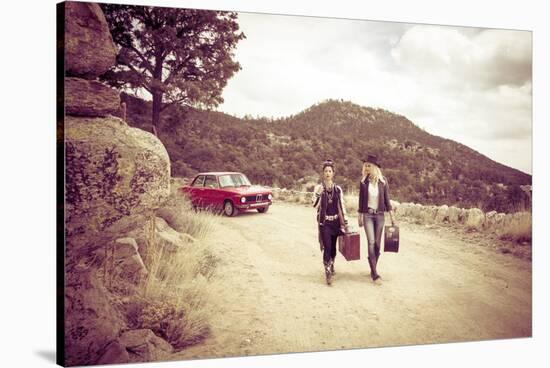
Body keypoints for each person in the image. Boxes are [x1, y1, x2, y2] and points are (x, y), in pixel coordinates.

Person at [358, 154, 395, 281]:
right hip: (368, 215)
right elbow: (361, 201)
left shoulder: (382, 181)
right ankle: (374, 273)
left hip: (380, 215)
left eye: (369, 165)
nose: (367, 167)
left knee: (378, 245)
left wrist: (392, 216)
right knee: (371, 243)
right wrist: (360, 216)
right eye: (366, 165)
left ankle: (372, 263)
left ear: (374, 167)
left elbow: (387, 199)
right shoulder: (363, 182)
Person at [313, 159, 349, 285]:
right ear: (323, 173)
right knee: (327, 247)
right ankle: (327, 270)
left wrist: (346, 221)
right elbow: (314, 204)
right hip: (324, 223)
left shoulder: (337, 189)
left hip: (336, 222)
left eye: (330, 171)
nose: (328, 173)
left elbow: (342, 205)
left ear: (333, 173)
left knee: (333, 248)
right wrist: (319, 193)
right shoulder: (318, 188)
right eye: (326, 171)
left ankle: (332, 263)